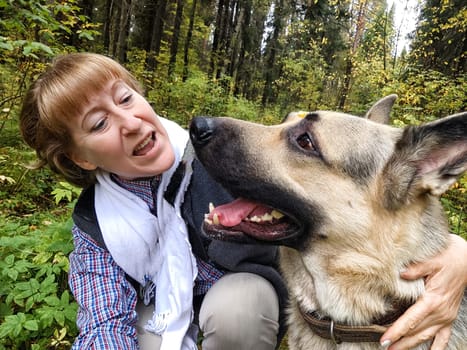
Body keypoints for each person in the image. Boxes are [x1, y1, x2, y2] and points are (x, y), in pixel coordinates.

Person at [19, 52, 466, 350]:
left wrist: (457, 254)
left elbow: (388, 221)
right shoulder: (95, 221)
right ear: (80, 157)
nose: (131, 122)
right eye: (99, 124)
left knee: (240, 307)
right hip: (164, 322)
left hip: (236, 313)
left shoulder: (209, 160)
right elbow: (102, 321)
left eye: (125, 98)